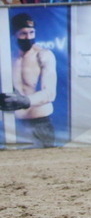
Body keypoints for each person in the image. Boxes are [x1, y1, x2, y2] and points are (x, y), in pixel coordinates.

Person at [1, 13, 58, 147]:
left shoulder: (43, 55)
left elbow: (50, 93)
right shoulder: (8, 57)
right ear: (14, 34)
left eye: (32, 32)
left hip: (40, 124)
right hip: (13, 124)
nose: (29, 37)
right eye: (23, 33)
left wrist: (26, 100)